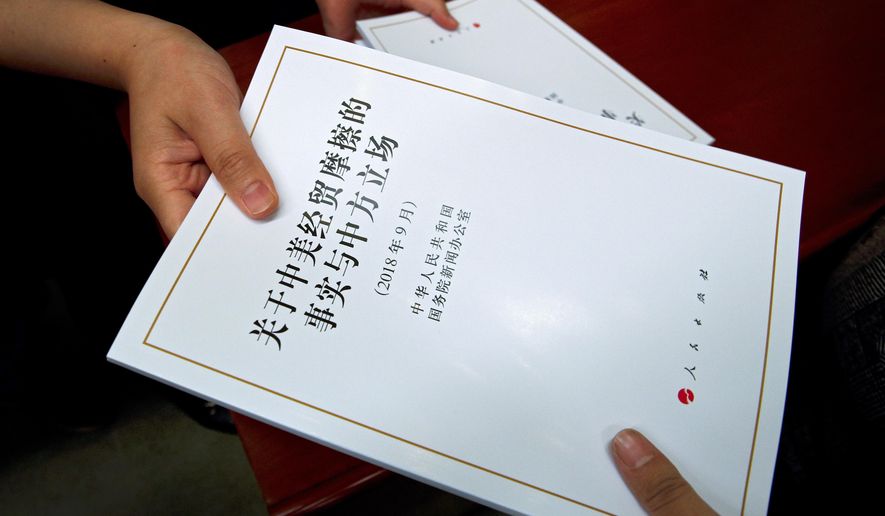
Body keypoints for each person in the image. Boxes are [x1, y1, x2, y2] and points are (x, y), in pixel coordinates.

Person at [1, 1, 715, 512]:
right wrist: (138, 47)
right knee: (156, 256)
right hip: (92, 67)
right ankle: (121, 390)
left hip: (312, 50)